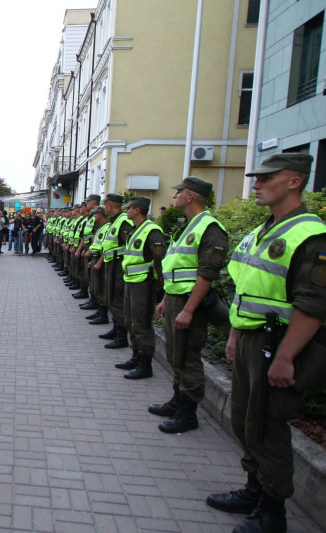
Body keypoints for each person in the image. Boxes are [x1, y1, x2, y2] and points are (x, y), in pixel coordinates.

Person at [206, 154, 326, 533]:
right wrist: (236, 335)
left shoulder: (310, 234)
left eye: (265, 178)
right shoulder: (266, 229)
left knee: (266, 426)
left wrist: (286, 357)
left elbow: (313, 304)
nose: (256, 184)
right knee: (245, 421)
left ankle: (273, 513)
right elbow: (248, 290)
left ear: (293, 181)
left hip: (277, 345)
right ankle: (253, 490)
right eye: (256, 178)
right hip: (251, 340)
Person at [151, 176, 228, 433]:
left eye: (178, 192)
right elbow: (176, 267)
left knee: (188, 358)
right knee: (176, 355)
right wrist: (165, 300)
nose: (174, 197)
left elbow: (207, 274)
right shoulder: (187, 225)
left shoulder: (209, 227)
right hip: (175, 298)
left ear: (191, 196)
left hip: (188, 302)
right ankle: (177, 400)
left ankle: (188, 414)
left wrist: (188, 309)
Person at [117, 196, 165, 379]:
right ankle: (135, 357)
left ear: (137, 210)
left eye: (128, 208)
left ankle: (145, 365)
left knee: (142, 324)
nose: (126, 211)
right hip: (132, 281)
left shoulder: (152, 231)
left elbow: (160, 260)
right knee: (130, 321)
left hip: (144, 284)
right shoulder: (136, 230)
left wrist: (161, 285)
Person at [97, 193, 134, 348]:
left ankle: (121, 336)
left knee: (117, 299)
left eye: (105, 204)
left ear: (110, 205)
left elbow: (129, 246)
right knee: (111, 297)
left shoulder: (123, 221)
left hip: (119, 266)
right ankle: (116, 329)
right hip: (111, 263)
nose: (104, 207)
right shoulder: (115, 221)